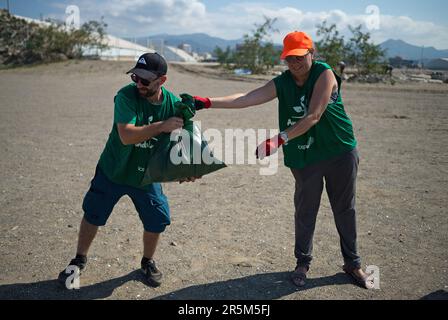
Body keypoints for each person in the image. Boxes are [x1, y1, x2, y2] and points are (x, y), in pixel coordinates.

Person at [183, 31, 374, 289]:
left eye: (299, 57)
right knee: (306, 210)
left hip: (339, 150)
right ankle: (302, 262)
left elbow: (314, 115)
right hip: (305, 155)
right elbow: (247, 98)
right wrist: (206, 102)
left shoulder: (324, 73)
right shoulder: (283, 82)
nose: (294, 63)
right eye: (289, 58)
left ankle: (352, 263)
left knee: (344, 208)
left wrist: (279, 139)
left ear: (311, 53)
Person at [58, 52, 199, 288]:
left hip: (146, 175)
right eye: (135, 77)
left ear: (161, 80)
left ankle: (147, 261)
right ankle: (79, 259)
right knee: (93, 213)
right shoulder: (126, 95)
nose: (138, 84)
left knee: (156, 220)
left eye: (145, 80)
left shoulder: (174, 104)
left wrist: (187, 169)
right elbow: (126, 135)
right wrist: (161, 126)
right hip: (114, 169)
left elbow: (179, 142)